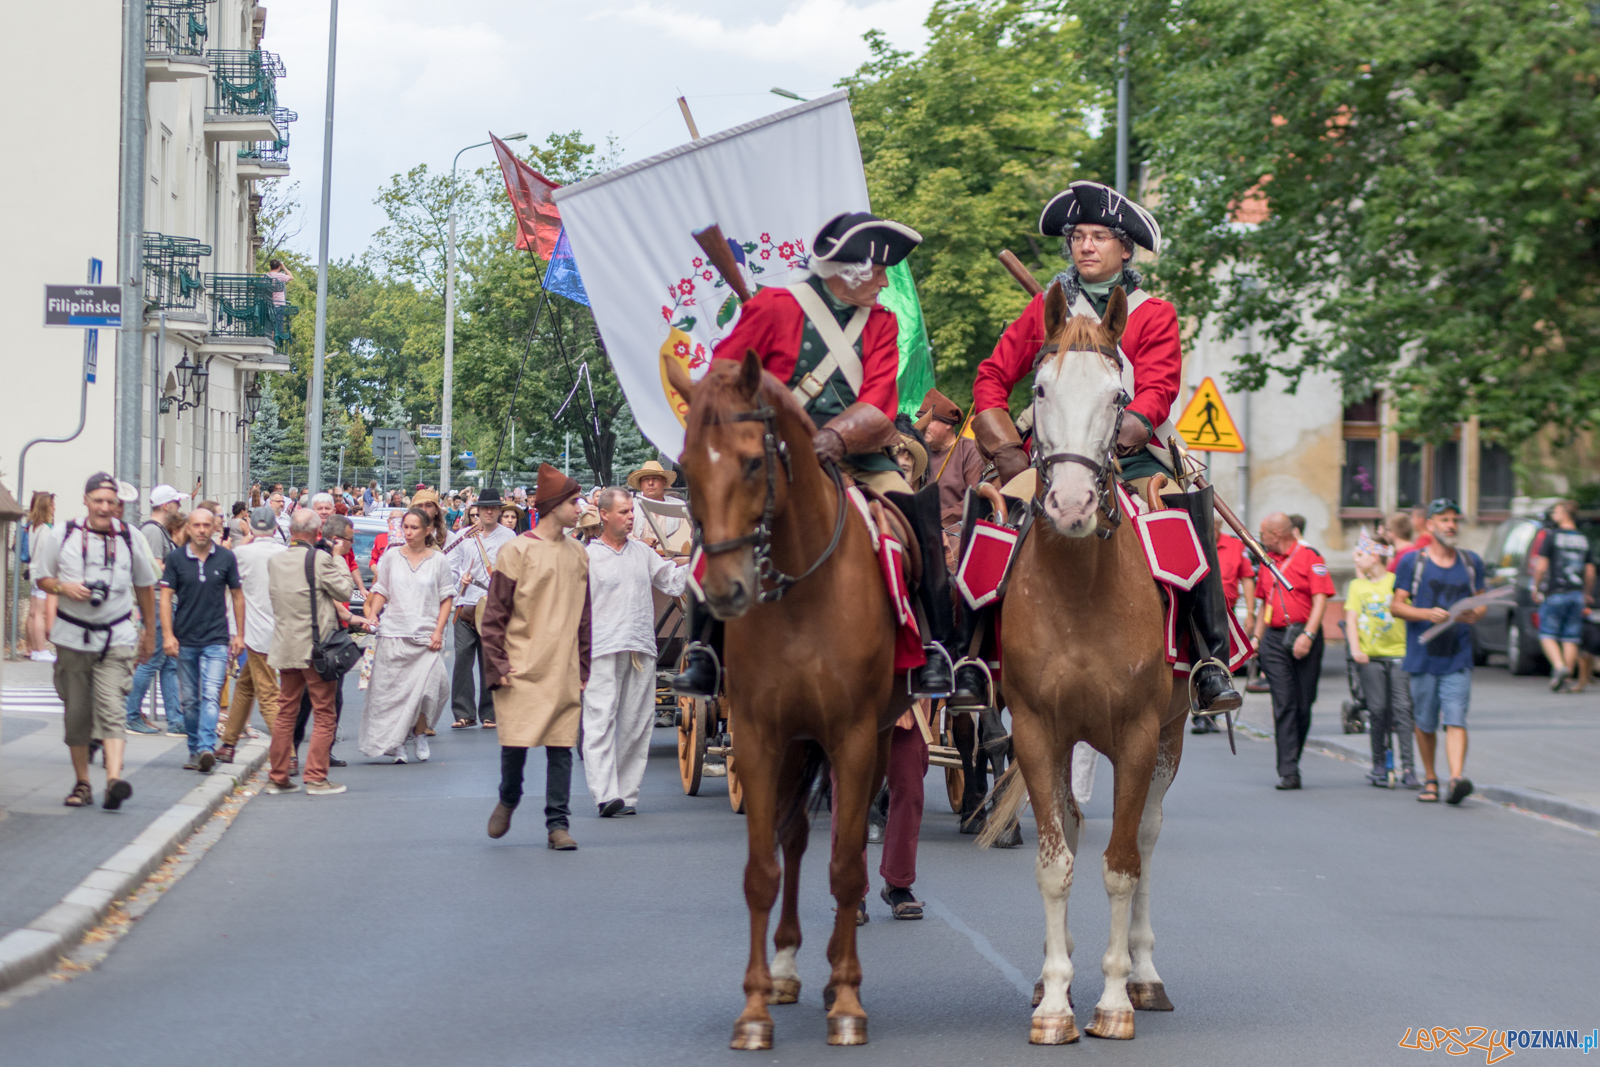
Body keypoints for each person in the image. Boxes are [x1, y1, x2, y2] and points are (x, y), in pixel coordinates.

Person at [966, 181, 1241, 718]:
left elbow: (1160, 387)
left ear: (1125, 249)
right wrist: (1004, 450)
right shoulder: (1045, 310)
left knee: (1188, 513)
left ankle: (1211, 659)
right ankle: (967, 656)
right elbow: (991, 377)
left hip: (1129, 457)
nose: (1086, 246)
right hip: (1049, 457)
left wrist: (1127, 428)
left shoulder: (1154, 312)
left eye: (1099, 237)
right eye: (1078, 237)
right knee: (989, 509)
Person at [675, 211, 957, 699]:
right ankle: (704, 647)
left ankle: (935, 647)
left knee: (914, 511)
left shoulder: (881, 323)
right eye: (877, 270)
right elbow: (720, 385)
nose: (885, 281)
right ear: (847, 271)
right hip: (771, 456)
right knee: (722, 513)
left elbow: (879, 404)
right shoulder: (773, 307)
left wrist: (833, 439)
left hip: (858, 457)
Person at [480, 464, 591, 849]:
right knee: (516, 743)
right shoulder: (516, 550)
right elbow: (495, 614)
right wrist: (497, 663)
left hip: (562, 667)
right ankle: (509, 798)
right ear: (556, 505)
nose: (580, 508)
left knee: (562, 746)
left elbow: (584, 614)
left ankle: (557, 825)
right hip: (521, 665)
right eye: (575, 501)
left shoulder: (578, 553)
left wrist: (583, 665)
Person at [31, 473, 157, 809]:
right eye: (98, 500)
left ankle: (114, 780)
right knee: (77, 715)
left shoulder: (130, 538)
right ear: (86, 500)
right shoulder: (64, 534)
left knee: (113, 708)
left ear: (118, 505)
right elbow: (41, 577)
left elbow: (145, 585)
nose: (104, 507)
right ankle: (83, 783)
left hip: (117, 637)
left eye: (110, 502)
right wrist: (63, 587)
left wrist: (151, 632)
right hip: (72, 638)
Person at [582, 487, 687, 816]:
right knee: (600, 722)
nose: (631, 518)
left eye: (632, 512)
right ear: (604, 514)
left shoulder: (642, 553)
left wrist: (705, 558)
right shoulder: (587, 556)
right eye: (625, 512)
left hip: (641, 647)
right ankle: (604, 793)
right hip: (601, 648)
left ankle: (626, 795)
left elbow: (673, 582)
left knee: (636, 725)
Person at [1392, 499, 1487, 806]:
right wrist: (1424, 614)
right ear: (1429, 525)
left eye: (1454, 520)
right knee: (1425, 721)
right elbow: (1396, 605)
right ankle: (1430, 777)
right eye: (1444, 520)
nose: (1451, 525)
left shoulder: (1471, 562)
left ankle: (1456, 778)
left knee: (1456, 717)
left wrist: (1475, 614)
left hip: (1458, 655)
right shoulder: (1413, 562)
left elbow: (1482, 601)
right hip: (1422, 657)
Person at [262, 509, 354, 796]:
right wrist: (338, 557)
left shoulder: (276, 561)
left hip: (285, 645)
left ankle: (278, 775)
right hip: (315, 649)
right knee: (325, 713)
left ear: (291, 531)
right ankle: (315, 777)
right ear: (317, 534)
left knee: (286, 713)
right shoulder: (320, 558)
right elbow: (344, 592)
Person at [361, 508, 453, 763]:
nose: (409, 532)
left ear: (427, 531)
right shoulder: (391, 556)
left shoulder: (438, 560)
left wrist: (438, 631)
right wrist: (372, 616)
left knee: (432, 689)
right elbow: (381, 589)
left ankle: (420, 733)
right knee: (393, 695)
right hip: (394, 633)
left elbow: (447, 598)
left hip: (425, 636)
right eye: (406, 527)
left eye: (414, 527)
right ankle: (397, 743)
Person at [1252, 511, 1335, 790]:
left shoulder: (1311, 556)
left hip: (1304, 634)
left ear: (1277, 534)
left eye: (1263, 533)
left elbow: (1320, 599)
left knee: (1303, 704)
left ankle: (1293, 757)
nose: (1261, 538)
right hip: (1274, 639)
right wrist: (1256, 639)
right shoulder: (1267, 561)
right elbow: (1265, 603)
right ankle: (1288, 770)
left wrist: (1309, 635)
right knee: (1284, 702)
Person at [159, 508, 245, 772]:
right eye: (196, 525)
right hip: (185, 638)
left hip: (216, 639)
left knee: (210, 695)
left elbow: (238, 596)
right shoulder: (176, 558)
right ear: (188, 528)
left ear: (215, 528)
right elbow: (165, 597)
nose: (201, 530)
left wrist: (240, 634)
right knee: (190, 700)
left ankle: (207, 747)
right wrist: (168, 635)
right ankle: (195, 749)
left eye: (206, 525)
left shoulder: (226, 558)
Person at [1344, 530, 1417, 786]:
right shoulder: (1356, 586)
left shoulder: (1396, 583)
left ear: (1375, 556)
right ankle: (1379, 764)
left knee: (1403, 710)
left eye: (1361, 554)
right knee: (1377, 710)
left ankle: (1409, 768)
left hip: (1399, 656)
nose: (1356, 559)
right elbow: (1351, 619)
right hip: (1370, 658)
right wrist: (1356, 649)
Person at [217, 507, 286, 763]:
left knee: (267, 693)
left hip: (253, 630)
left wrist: (234, 632)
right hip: (278, 628)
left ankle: (286, 753)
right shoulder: (284, 552)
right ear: (274, 526)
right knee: (245, 686)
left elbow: (232, 590)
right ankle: (228, 743)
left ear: (252, 527)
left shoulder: (241, 554)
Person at [444, 488, 515, 730]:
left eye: (494, 507)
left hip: (494, 607)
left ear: (499, 510)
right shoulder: (463, 536)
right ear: (477, 511)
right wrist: (458, 583)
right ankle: (463, 712)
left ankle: (490, 713)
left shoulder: (509, 537)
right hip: (466, 606)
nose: (489, 511)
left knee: (490, 660)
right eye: (485, 507)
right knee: (462, 659)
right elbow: (449, 568)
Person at [126, 484, 187, 734]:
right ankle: (130, 715)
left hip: (164, 602)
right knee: (151, 661)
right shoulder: (153, 532)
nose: (180, 506)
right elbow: (152, 571)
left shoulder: (157, 530)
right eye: (176, 502)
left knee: (168, 664)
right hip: (159, 602)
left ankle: (175, 719)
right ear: (166, 506)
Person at [1193, 525, 1257, 735]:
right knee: (1201, 661)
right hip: (1199, 610)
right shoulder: (1195, 538)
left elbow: (1247, 578)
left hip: (1227, 613)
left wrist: (1250, 612)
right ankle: (1202, 713)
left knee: (1222, 664)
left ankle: (1212, 712)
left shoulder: (1235, 545)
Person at [1529, 499, 1594, 691]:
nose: (1554, 516)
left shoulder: (1551, 537)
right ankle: (1566, 679)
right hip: (1576, 594)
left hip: (1556, 592)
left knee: (1547, 633)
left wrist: (1536, 587)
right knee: (1571, 637)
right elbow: (1590, 571)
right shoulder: (1583, 539)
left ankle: (1559, 667)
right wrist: (1587, 594)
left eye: (1556, 512)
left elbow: (1541, 567)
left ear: (1565, 514)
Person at [915, 388, 983, 541]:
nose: (924, 425)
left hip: (957, 535)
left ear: (948, 424)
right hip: (920, 533)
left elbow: (973, 500)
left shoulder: (969, 451)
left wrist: (936, 519)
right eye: (922, 420)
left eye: (930, 421)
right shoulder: (919, 454)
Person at [626, 460, 690, 558]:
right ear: (640, 484)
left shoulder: (680, 505)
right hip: (637, 558)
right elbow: (621, 532)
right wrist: (640, 543)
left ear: (664, 482)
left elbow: (687, 534)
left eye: (655, 479)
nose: (650, 483)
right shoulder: (629, 505)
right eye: (646, 479)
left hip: (672, 560)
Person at [23, 491, 58, 662]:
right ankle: (40, 649)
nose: (55, 508)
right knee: (40, 614)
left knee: (33, 613)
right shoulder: (47, 529)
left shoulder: (32, 527)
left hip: (33, 571)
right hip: (43, 573)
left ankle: (30, 648)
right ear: (47, 507)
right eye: (52, 505)